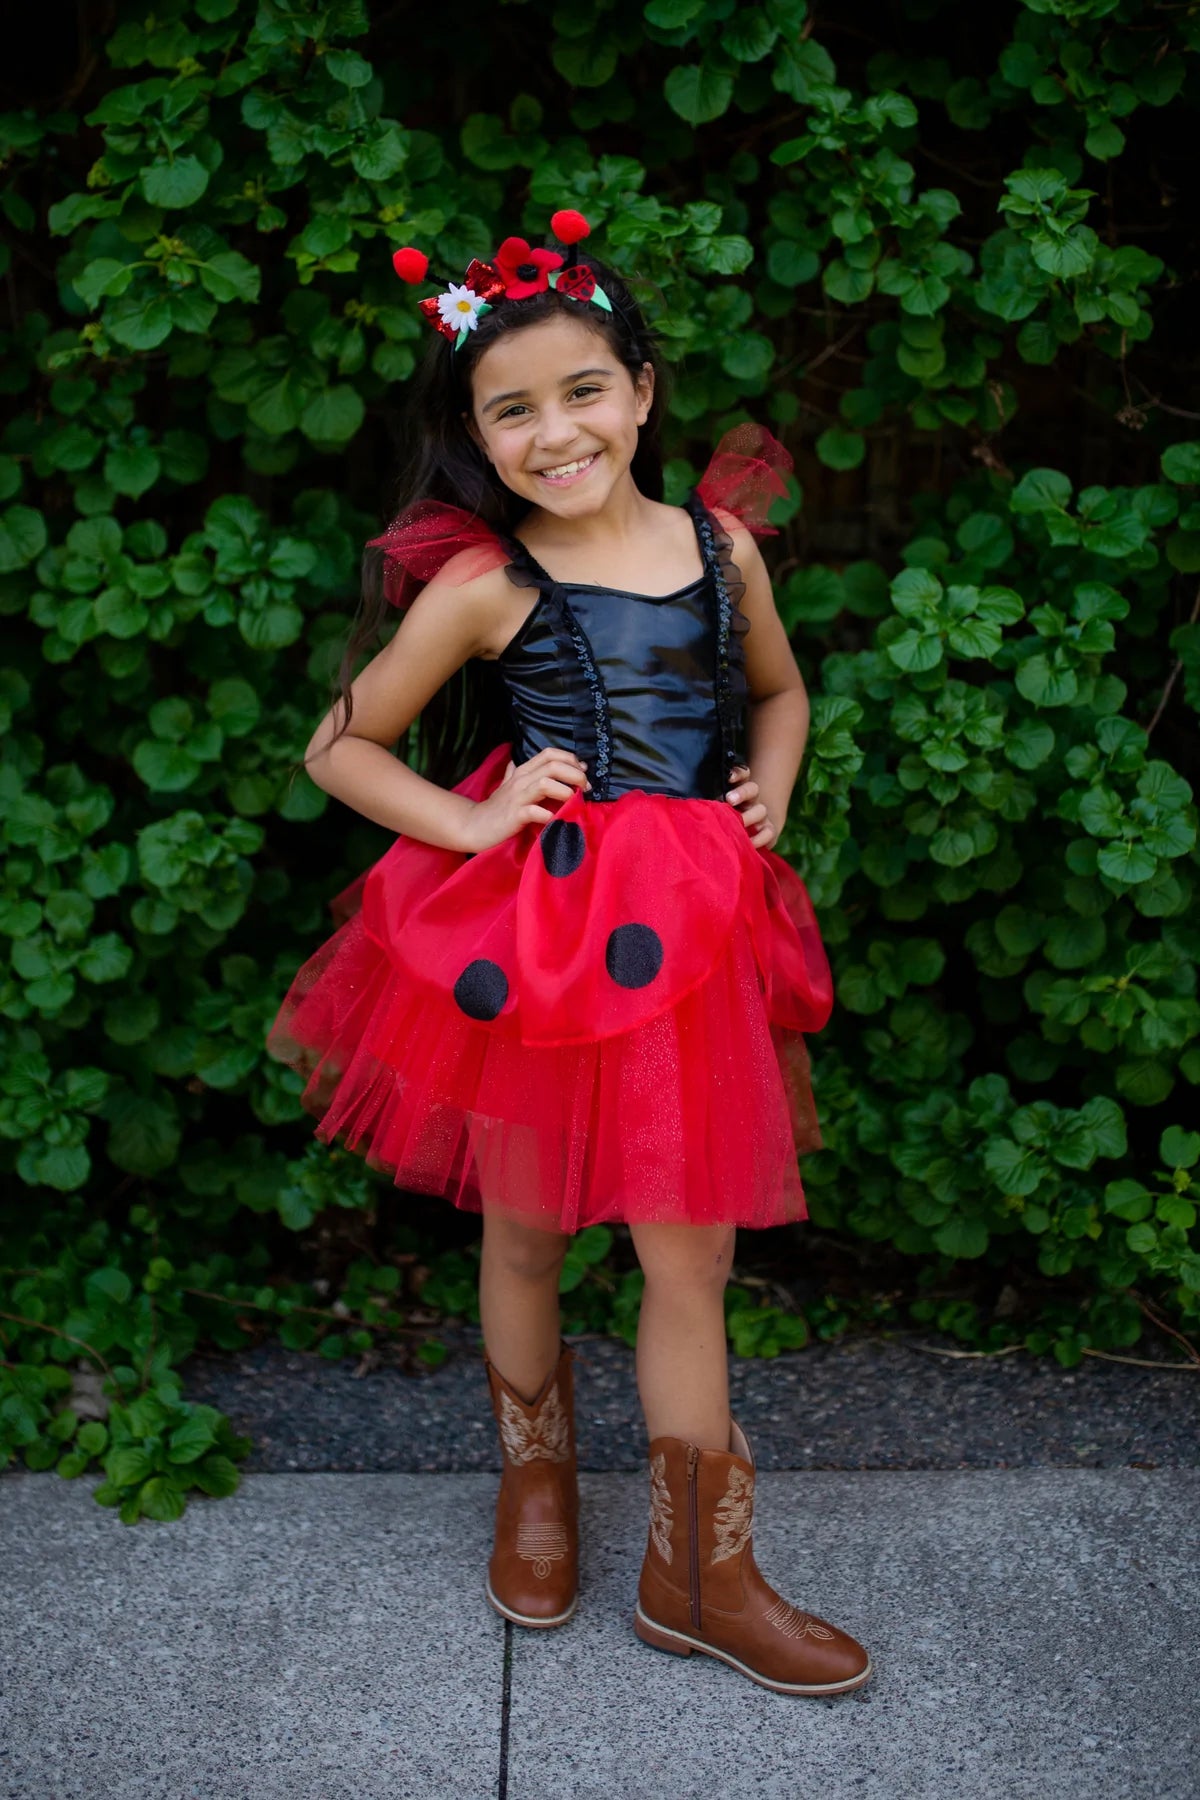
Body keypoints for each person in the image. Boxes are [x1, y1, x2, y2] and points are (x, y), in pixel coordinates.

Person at [266, 209, 871, 1697]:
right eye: (512, 409)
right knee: (525, 1227)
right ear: (478, 433)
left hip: (692, 946)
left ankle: (700, 1573)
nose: (556, 431)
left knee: (692, 1254)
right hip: (539, 945)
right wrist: (469, 834)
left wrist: (774, 780)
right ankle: (537, 1487)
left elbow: (781, 694)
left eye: (583, 392)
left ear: (643, 392)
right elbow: (341, 747)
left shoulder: (721, 549)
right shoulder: (489, 585)